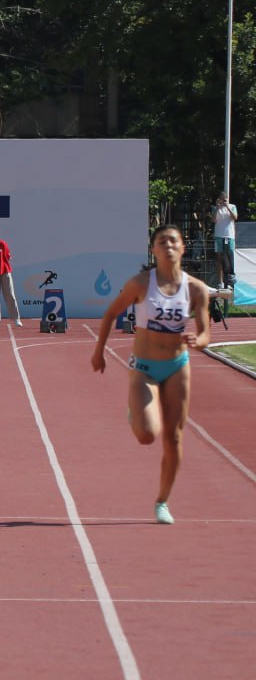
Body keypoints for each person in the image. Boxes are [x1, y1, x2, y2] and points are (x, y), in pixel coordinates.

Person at [90, 225, 210, 525]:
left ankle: (162, 501)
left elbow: (205, 333)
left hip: (177, 366)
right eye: (161, 241)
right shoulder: (141, 283)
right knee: (146, 435)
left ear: (182, 247)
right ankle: (136, 411)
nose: (168, 245)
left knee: (174, 437)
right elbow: (111, 314)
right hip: (144, 367)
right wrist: (98, 351)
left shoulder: (195, 289)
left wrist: (198, 340)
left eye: (173, 241)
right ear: (153, 249)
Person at [212, 192, 239, 287]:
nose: (223, 201)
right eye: (221, 199)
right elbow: (213, 220)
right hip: (219, 236)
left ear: (227, 199)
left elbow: (235, 217)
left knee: (229, 258)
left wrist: (227, 207)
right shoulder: (215, 208)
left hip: (229, 236)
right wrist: (217, 207)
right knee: (219, 259)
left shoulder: (232, 206)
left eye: (225, 199)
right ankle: (220, 282)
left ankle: (229, 281)